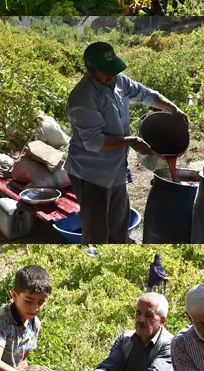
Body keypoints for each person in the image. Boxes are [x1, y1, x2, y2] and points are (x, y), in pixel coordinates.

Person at [66, 41, 187, 243]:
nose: (112, 76)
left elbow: (145, 94)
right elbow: (93, 142)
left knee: (119, 224)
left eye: (113, 70)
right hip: (90, 173)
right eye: (106, 73)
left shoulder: (118, 81)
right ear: (91, 70)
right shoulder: (82, 97)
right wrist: (131, 141)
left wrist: (173, 109)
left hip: (115, 170)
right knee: (96, 230)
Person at [0, 265, 50, 371]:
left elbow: (22, 361)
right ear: (14, 295)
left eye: (40, 302)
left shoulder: (34, 324)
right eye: (28, 301)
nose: (35, 308)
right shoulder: (0, 319)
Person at [92, 293, 175, 371]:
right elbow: (111, 366)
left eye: (148, 315)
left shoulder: (171, 345)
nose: (141, 320)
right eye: (138, 313)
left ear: (162, 321)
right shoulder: (125, 339)